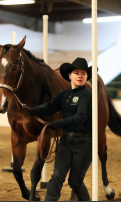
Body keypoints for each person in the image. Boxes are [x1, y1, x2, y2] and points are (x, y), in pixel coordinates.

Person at [30, 57, 93, 201]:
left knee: (75, 182)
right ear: (69, 75)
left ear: (87, 76)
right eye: (76, 73)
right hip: (66, 141)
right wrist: (32, 110)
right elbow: (49, 107)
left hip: (84, 143)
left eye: (83, 73)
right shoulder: (64, 95)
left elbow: (80, 117)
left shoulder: (87, 95)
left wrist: (58, 123)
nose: (80, 76)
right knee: (57, 176)